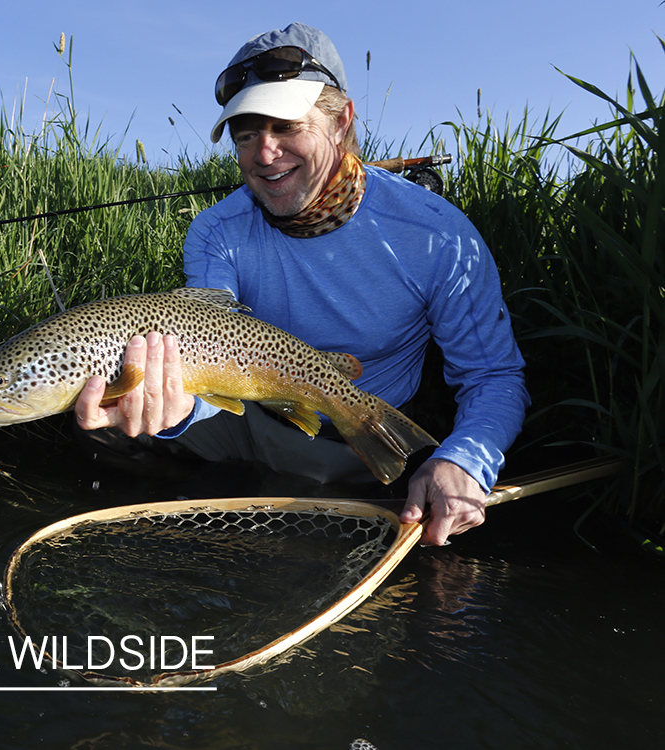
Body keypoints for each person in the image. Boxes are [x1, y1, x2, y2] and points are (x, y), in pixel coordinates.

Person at [75, 23, 529, 546]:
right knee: (103, 426)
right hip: (243, 413)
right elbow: (205, 344)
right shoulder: (216, 232)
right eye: (246, 135)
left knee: (299, 548)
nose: (264, 155)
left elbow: (494, 376)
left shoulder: (436, 235)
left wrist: (464, 461)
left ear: (342, 122)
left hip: (350, 434)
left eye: (287, 127)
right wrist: (174, 412)